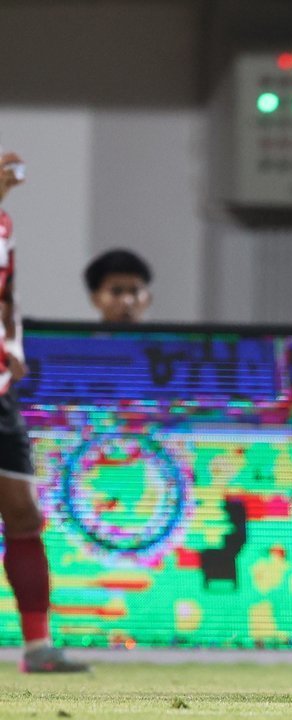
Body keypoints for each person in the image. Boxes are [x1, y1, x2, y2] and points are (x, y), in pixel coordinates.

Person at [0, 149, 88, 673]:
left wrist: (14, 345)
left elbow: (7, 295)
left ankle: (38, 648)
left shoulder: (4, 225)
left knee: (23, 514)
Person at [83, 249, 152, 324]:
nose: (127, 301)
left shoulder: (160, 332)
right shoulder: (77, 332)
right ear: (95, 299)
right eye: (116, 291)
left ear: (148, 298)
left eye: (135, 291)